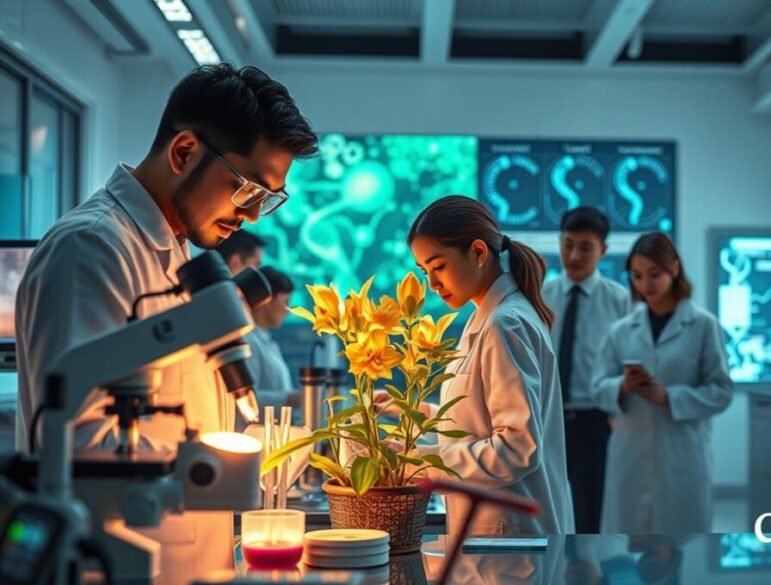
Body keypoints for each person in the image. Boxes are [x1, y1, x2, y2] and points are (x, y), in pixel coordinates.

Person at [15, 63, 317, 584]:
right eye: (247, 190)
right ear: (184, 152)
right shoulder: (91, 249)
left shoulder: (179, 252)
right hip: (118, 565)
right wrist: (217, 468)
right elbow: (76, 446)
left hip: (186, 563)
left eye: (268, 200)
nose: (251, 215)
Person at [382, 195, 574, 535]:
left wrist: (418, 463)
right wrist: (417, 412)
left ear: (479, 252)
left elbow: (517, 449)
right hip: (490, 533)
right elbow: (478, 418)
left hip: (509, 536)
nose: (432, 284)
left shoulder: (505, 323)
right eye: (425, 271)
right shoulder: (485, 317)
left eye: (438, 266)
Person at [592, 233, 733, 534]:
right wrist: (623, 387)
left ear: (675, 268)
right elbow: (598, 386)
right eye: (638, 276)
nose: (647, 285)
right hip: (630, 453)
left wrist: (669, 396)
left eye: (654, 274)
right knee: (627, 555)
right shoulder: (621, 330)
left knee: (685, 550)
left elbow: (721, 391)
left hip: (681, 453)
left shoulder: (703, 325)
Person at [542, 207, 631, 534]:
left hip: (596, 420)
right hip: (546, 421)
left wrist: (618, 413)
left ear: (603, 250)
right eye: (568, 244)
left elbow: (630, 361)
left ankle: (589, 572)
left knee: (590, 512)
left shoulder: (620, 301)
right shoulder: (541, 297)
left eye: (585, 247)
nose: (574, 254)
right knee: (544, 509)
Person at [247, 266, 295, 395]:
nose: (288, 310)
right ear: (266, 299)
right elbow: (248, 398)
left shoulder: (266, 341)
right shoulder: (248, 342)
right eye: (286, 301)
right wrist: (294, 399)